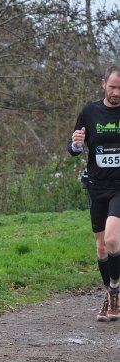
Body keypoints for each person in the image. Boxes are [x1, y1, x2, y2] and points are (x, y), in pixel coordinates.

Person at [69, 65, 120, 322]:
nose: (116, 92)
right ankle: (110, 294)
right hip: (96, 186)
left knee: (111, 239)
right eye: (112, 87)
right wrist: (76, 145)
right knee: (100, 247)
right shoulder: (89, 111)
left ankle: (115, 289)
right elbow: (73, 148)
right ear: (103, 84)